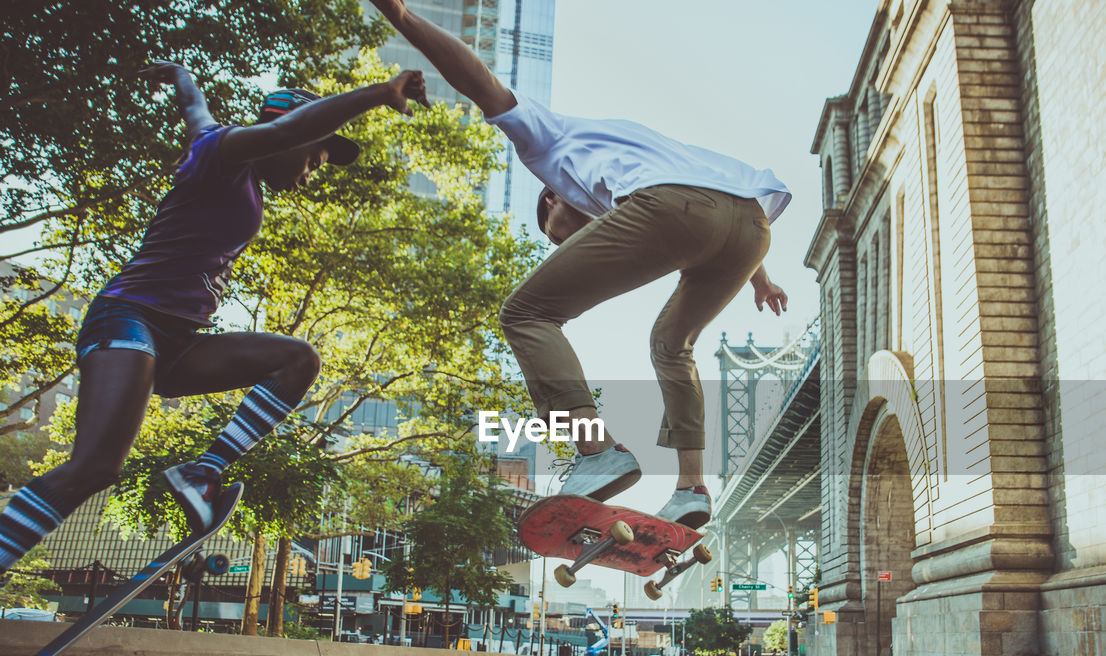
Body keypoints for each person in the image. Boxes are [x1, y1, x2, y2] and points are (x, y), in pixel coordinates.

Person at [369, 0, 790, 529]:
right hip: (752, 228)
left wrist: (403, 19)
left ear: (551, 201)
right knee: (671, 345)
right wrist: (763, 280)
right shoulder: (631, 154)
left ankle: (595, 451)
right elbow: (719, 209)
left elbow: (480, 83)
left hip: (676, 210)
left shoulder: (548, 140)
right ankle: (690, 487)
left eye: (556, 236)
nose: (563, 246)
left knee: (525, 313)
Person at [0, 62, 428, 573]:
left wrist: (182, 74)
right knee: (95, 467)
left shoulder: (217, 150)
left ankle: (203, 472)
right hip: (127, 320)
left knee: (297, 361)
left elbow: (194, 109)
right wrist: (381, 93)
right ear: (291, 136)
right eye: (313, 159)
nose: (310, 174)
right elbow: (281, 129)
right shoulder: (221, 154)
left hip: (178, 344)